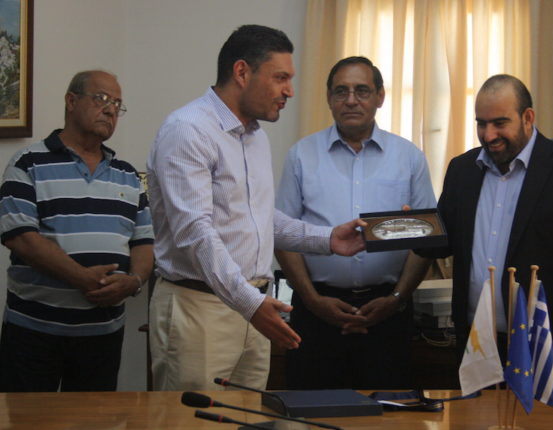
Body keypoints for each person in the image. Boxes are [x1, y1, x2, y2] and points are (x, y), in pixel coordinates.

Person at [147, 25, 365, 392]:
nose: (289, 91)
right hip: (201, 308)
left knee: (248, 415)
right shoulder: (188, 130)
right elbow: (195, 233)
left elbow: (260, 220)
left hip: (252, 305)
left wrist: (328, 239)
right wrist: (251, 302)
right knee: (191, 418)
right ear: (242, 72)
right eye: (281, 78)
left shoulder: (255, 137)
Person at [418, 74, 553, 388]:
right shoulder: (462, 170)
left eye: (500, 123)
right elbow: (441, 242)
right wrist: (404, 228)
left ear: (528, 118)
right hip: (477, 346)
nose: (489, 135)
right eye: (481, 124)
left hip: (546, 345)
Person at [275, 56, 436, 389]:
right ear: (328, 98)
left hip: (388, 314)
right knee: (312, 410)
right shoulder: (301, 155)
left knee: (387, 410)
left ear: (380, 96)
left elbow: (426, 238)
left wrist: (396, 298)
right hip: (316, 312)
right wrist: (313, 301)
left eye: (362, 91)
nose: (351, 100)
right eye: (341, 91)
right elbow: (282, 235)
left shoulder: (408, 157)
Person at [0, 70, 153, 392]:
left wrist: (135, 281)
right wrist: (81, 278)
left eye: (118, 104)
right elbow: (22, 238)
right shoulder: (28, 163)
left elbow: (143, 242)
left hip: (102, 335)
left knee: (93, 417)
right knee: (28, 417)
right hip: (34, 332)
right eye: (102, 99)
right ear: (71, 101)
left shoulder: (127, 176)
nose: (110, 110)